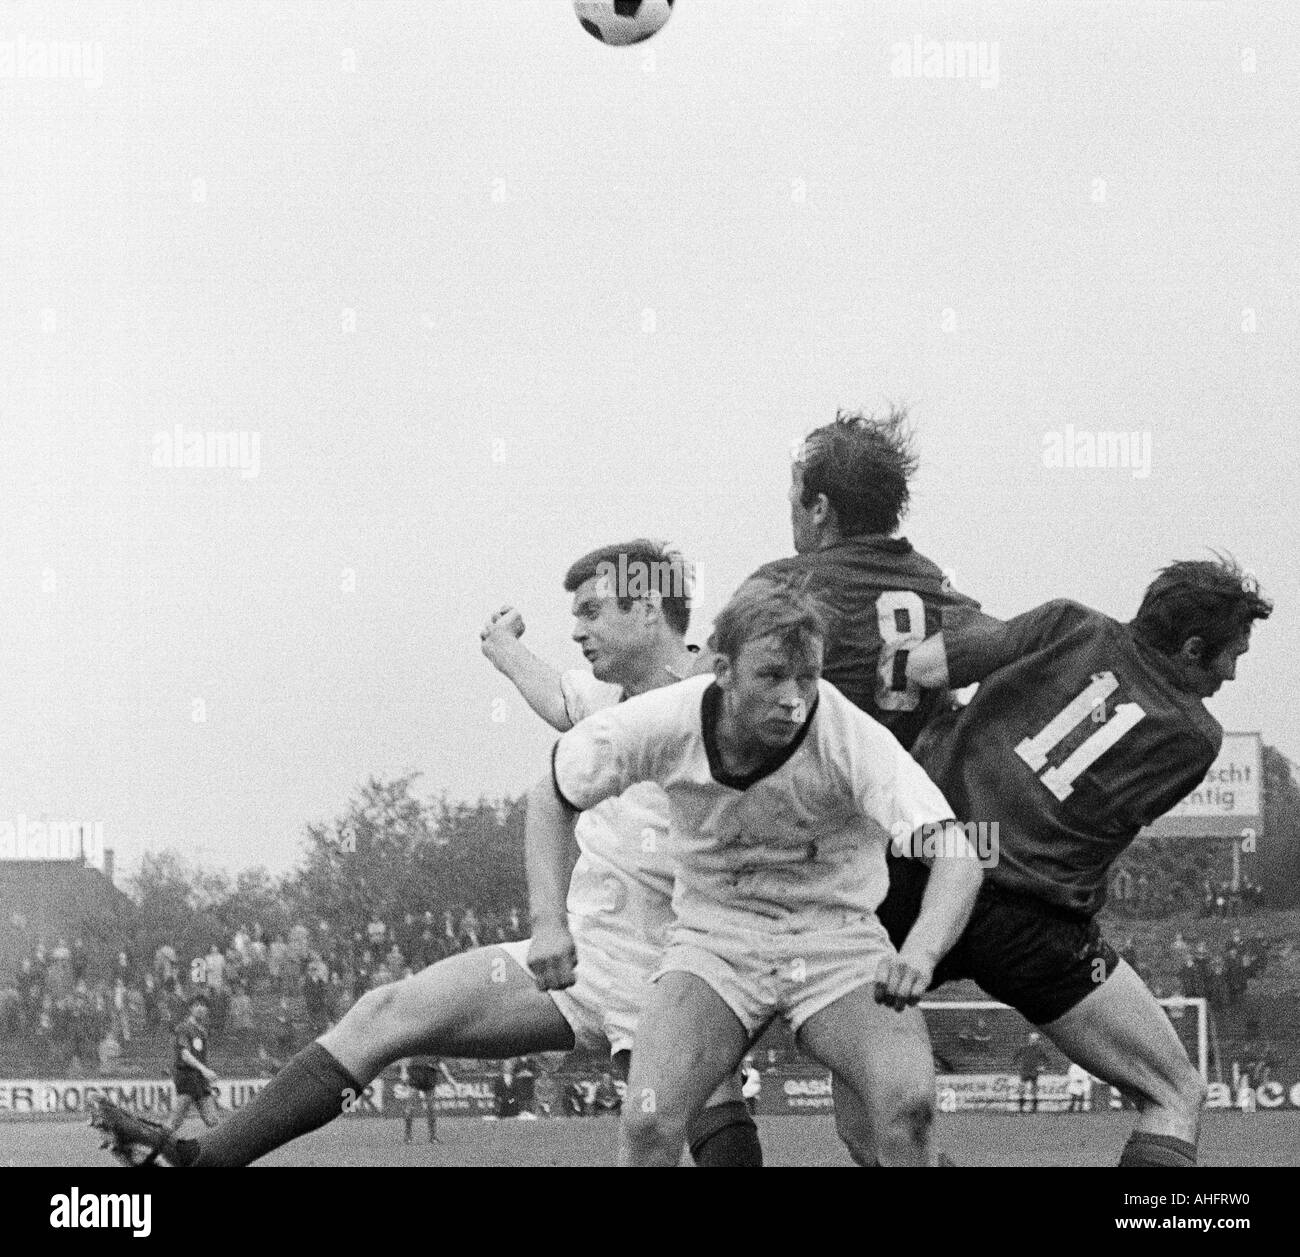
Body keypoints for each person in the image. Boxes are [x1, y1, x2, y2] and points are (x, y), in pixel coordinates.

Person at [89, 541, 757, 1168]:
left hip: (682, 968)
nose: (577, 630)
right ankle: (205, 1158)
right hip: (579, 963)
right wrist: (503, 647)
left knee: (671, 1123)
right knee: (386, 1011)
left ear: (646, 610)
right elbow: (553, 692)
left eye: (591, 611)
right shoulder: (601, 699)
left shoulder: (724, 702)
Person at [527, 574, 983, 1166]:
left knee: (905, 1110)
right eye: (771, 676)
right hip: (715, 939)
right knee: (646, 1121)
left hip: (834, 938)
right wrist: (548, 922)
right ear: (723, 670)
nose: (794, 697)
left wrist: (920, 951)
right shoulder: (665, 720)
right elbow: (552, 794)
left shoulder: (848, 734)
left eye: (808, 676)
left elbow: (958, 852)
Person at [863, 555, 1272, 1167]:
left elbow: (922, 667)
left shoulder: (1067, 622)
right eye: (1233, 654)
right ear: (1191, 650)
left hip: (919, 873)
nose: (1233, 673)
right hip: (1031, 926)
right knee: (1175, 1091)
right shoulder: (1195, 740)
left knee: (877, 1118)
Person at [169, 994, 220, 1137]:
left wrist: (206, 1073)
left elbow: (201, 1057)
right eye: (197, 1005)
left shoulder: (202, 1031)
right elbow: (185, 1055)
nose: (201, 1008)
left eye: (203, 1005)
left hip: (200, 1080)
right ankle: (154, 1146)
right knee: (175, 1122)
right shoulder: (183, 1028)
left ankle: (220, 1155)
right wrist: (204, 1070)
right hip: (186, 1077)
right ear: (191, 1008)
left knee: (212, 1120)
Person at [399, 1055, 452, 1143]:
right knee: (410, 1108)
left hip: (429, 1078)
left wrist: (448, 1077)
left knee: (431, 1108)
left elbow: (440, 1063)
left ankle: (433, 1137)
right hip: (415, 1077)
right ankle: (407, 1136)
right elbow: (404, 1058)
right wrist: (403, 1072)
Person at [1015, 1031, 1049, 1113]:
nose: (1034, 1040)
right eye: (1032, 1039)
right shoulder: (1024, 1047)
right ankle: (1021, 1108)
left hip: (1034, 1071)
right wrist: (1018, 1066)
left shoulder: (1039, 1049)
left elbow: (1046, 1060)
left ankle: (1034, 1108)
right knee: (1022, 1089)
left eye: (1036, 1039)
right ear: (1029, 1039)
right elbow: (1016, 1057)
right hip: (1025, 1071)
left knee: (1034, 1090)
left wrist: (1043, 1067)